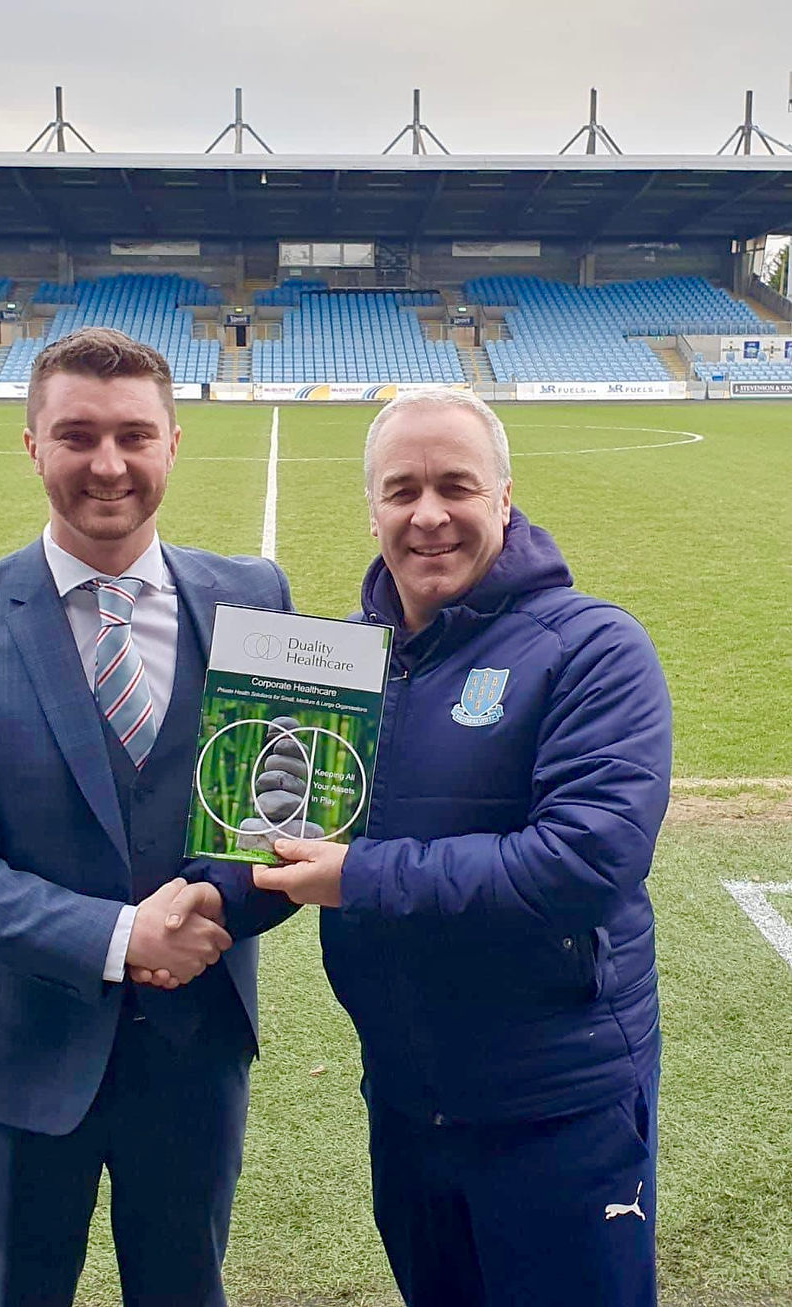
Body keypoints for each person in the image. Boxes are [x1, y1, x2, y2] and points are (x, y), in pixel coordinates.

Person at [0, 328, 294, 1307]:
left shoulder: (255, 598)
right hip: (18, 1059)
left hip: (194, 1050)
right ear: (32, 444)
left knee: (183, 1290)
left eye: (132, 435)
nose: (107, 464)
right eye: (76, 434)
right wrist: (120, 935)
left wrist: (209, 901)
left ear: (171, 443)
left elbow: (280, 822)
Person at [254, 388, 671, 1307]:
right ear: (372, 510)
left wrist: (357, 877)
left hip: (556, 1110)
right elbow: (280, 839)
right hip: (407, 1105)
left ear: (505, 497)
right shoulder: (342, 666)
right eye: (402, 490)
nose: (428, 514)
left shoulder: (594, 647)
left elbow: (583, 862)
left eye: (456, 486)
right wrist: (204, 897)